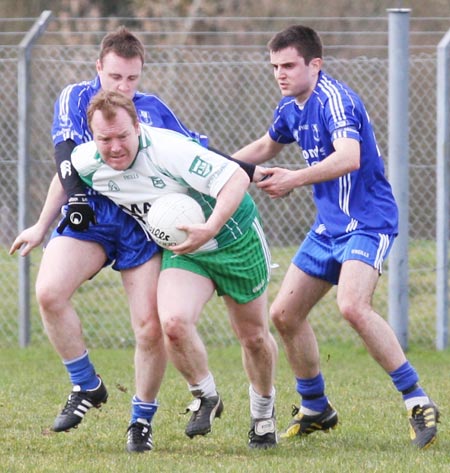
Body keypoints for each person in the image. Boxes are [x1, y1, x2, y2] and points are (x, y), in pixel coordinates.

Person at [10, 26, 258, 453]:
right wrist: (41, 223)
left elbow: (198, 153)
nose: (123, 87)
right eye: (115, 78)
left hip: (142, 225)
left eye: (132, 79)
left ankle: (140, 421)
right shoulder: (76, 100)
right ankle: (87, 385)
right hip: (91, 215)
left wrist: (248, 171)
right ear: (98, 69)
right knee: (49, 292)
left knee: (149, 327)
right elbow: (68, 163)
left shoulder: (152, 112)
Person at [232, 24, 439, 449]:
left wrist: (293, 179)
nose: (280, 74)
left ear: (315, 64)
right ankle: (316, 408)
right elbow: (267, 147)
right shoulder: (291, 106)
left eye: (289, 65)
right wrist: (213, 165)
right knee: (284, 316)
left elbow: (349, 157)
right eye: (275, 66)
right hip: (328, 229)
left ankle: (417, 401)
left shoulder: (335, 100)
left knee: (352, 306)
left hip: (368, 221)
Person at [69, 89, 278, 449]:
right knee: (173, 324)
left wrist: (210, 226)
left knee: (254, 337)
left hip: (233, 238)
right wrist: (41, 227)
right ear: (93, 137)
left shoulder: (168, 149)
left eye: (122, 136)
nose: (115, 146)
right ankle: (206, 395)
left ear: (138, 126)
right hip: (185, 249)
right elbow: (67, 176)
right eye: (105, 139)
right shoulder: (87, 160)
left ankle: (263, 413)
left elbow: (235, 179)